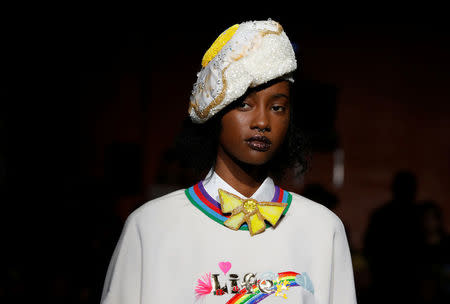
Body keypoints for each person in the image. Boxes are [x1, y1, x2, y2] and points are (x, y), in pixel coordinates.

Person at [100, 19, 357, 304]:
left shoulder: (322, 229)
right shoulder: (151, 226)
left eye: (277, 107)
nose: (262, 121)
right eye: (243, 104)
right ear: (215, 112)